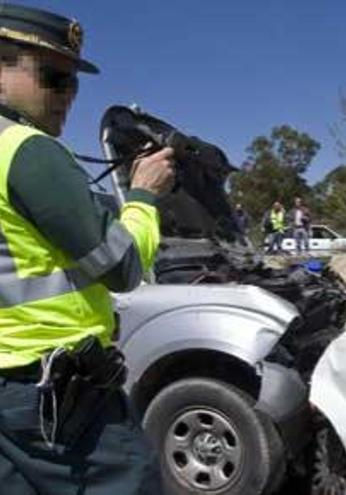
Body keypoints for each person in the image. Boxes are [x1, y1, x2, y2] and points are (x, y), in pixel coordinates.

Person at [0, 4, 175, 494]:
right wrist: (142, 197)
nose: (69, 96)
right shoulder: (23, 149)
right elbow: (119, 266)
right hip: (53, 400)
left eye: (74, 81)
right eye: (54, 77)